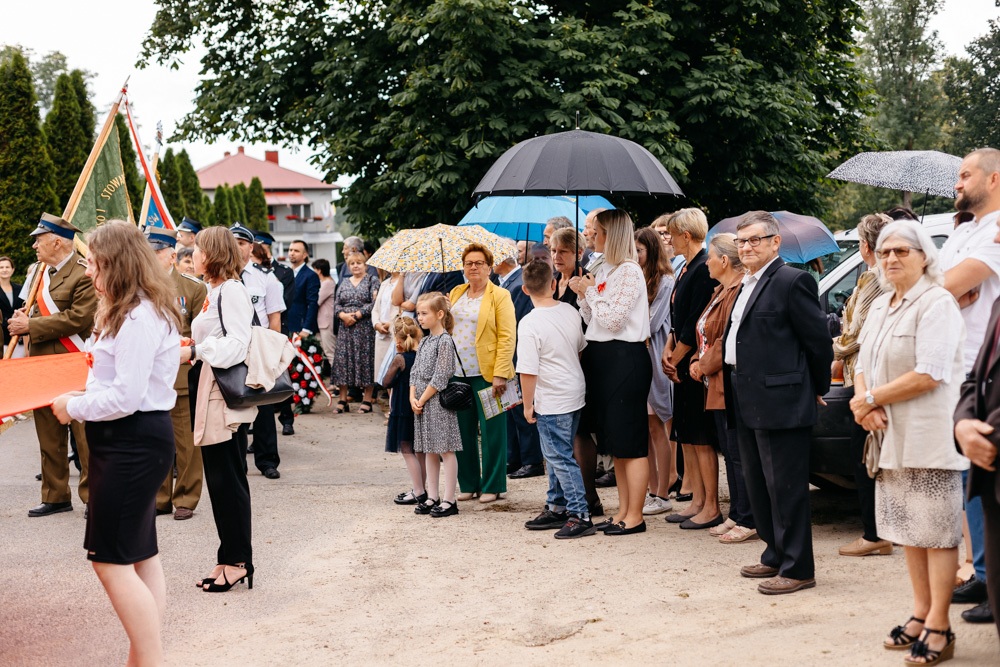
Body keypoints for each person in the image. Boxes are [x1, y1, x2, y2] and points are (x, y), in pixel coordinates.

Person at [50, 221, 182, 666]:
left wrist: (74, 405)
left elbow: (126, 398)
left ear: (117, 263)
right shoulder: (132, 309)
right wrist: (82, 396)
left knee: (110, 560)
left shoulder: (139, 316)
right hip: (130, 441)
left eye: (94, 263)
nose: (88, 271)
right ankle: (143, 659)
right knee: (140, 555)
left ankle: (150, 660)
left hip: (132, 442)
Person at [852, 219, 968, 662]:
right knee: (909, 532)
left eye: (902, 250)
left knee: (936, 533)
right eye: (884, 252)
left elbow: (929, 372)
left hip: (929, 435)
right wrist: (865, 402)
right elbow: (862, 361)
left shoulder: (937, 302)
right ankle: (920, 612)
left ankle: (940, 625)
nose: (891, 258)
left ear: (924, 257)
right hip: (889, 436)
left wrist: (870, 399)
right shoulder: (882, 305)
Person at [725, 211, 833, 595]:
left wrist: (818, 386)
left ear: (775, 242)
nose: (746, 247)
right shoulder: (745, 283)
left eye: (754, 240)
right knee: (758, 485)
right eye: (741, 241)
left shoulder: (792, 280)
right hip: (745, 395)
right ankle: (774, 553)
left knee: (786, 488)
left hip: (782, 399)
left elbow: (818, 341)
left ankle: (798, 568)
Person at [940, 148, 1000, 625]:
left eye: (965, 174)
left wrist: (944, 291)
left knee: (986, 474)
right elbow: (929, 286)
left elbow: (939, 288)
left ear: (994, 179)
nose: (956, 183)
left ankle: (991, 578)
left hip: (989, 367)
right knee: (967, 476)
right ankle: (982, 571)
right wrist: (943, 290)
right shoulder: (963, 231)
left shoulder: (997, 231)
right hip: (957, 369)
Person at [182, 226, 257, 593]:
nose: (192, 255)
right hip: (208, 386)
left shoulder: (232, 290)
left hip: (222, 391)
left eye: (197, 249)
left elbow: (239, 344)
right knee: (219, 477)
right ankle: (227, 556)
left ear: (211, 254)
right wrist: (194, 345)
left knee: (228, 477)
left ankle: (238, 562)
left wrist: (197, 350)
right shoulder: (214, 291)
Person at [7, 213, 96, 517]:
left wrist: (31, 325)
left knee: (84, 436)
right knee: (48, 435)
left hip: (73, 362)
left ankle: (94, 497)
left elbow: (79, 318)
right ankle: (55, 495)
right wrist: (23, 318)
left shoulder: (83, 272)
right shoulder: (38, 273)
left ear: (57, 242)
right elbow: (31, 308)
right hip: (42, 365)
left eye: (39, 240)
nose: (34, 246)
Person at [570, 209, 652, 535]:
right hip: (602, 356)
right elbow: (595, 320)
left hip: (625, 358)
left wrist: (591, 292)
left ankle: (636, 516)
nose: (592, 236)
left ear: (611, 234)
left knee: (630, 440)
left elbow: (615, 320)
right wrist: (584, 294)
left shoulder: (630, 271)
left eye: (597, 231)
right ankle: (623, 510)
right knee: (616, 442)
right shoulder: (606, 268)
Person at [831, 213, 894, 557]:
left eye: (859, 241)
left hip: (868, 377)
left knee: (865, 456)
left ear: (867, 246)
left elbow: (857, 332)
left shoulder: (874, 278)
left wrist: (833, 349)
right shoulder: (875, 276)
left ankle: (875, 534)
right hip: (864, 373)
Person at [519, 259, 594, 538]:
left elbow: (528, 370)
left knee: (559, 457)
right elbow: (580, 349)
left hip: (552, 397)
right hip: (574, 390)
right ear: (553, 284)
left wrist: (528, 404)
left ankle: (580, 513)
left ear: (525, 289)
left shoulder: (529, 323)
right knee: (556, 454)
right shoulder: (569, 311)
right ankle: (557, 505)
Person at [689, 234, 756, 543]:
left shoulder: (737, 291)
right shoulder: (721, 290)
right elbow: (705, 333)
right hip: (714, 382)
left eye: (711, 257)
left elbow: (725, 339)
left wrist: (702, 365)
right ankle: (737, 513)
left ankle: (748, 517)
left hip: (725, 380)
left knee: (737, 452)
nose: (707, 263)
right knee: (730, 451)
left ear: (725, 261)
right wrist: (696, 358)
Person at [662, 208, 720, 528]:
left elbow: (696, 321)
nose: (669, 240)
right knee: (686, 433)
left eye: (672, 235)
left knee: (700, 436)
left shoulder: (702, 268)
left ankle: (710, 504)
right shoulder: (685, 267)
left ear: (686, 235)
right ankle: (696, 500)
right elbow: (677, 318)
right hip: (682, 361)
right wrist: (669, 347)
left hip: (695, 364)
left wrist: (675, 356)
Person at [146, 227, 208, 521]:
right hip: (148, 375)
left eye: (156, 252)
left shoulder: (193, 288)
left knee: (186, 442)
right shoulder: (139, 286)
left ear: (171, 256)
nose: (150, 257)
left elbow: (202, 333)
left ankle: (185, 497)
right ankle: (159, 497)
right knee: (154, 440)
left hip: (181, 374)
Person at [954, 254, 1000, 642]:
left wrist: (988, 434)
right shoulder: (997, 304)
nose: (995, 236)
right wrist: (964, 421)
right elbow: (976, 376)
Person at [449, 243, 516, 504]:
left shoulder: (500, 295)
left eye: (479, 263)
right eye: (469, 263)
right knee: (461, 432)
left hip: (488, 374)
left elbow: (507, 336)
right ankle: (469, 484)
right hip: (457, 373)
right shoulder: (456, 292)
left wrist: (500, 373)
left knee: (492, 433)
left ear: (489, 267)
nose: (473, 267)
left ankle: (493, 485)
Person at [550, 227, 603, 516]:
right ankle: (567, 496)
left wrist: (583, 291)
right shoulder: (553, 281)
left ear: (578, 253)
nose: (556, 256)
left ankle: (588, 496)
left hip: (583, 360)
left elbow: (593, 320)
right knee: (563, 431)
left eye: (563, 251)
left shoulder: (586, 279)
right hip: (557, 363)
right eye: (553, 251)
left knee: (581, 430)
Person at [232, 223, 286, 479]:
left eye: (242, 243)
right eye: (232, 243)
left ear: (250, 247)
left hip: (259, 348)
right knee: (235, 405)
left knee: (264, 405)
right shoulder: (216, 278)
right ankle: (237, 463)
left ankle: (267, 461)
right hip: (232, 349)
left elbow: (274, 318)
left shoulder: (265, 277)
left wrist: (272, 351)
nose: (237, 248)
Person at [635, 227, 676, 517]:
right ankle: (651, 490)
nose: (635, 255)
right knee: (645, 429)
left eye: (639, 250)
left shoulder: (665, 281)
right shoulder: (635, 278)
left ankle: (663, 491)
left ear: (651, 251)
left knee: (658, 424)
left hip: (655, 358)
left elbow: (651, 323)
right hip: (638, 359)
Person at [411, 293, 462, 518]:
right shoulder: (424, 341)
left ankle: (450, 499)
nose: (420, 318)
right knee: (429, 449)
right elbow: (414, 372)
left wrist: (421, 399)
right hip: (421, 403)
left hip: (437, 403)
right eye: (418, 313)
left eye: (424, 313)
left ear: (440, 314)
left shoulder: (445, 341)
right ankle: (433, 496)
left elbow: (441, 376)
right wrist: (412, 397)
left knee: (445, 449)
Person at [495, 246, 543, 480]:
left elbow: (516, 323)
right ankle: (513, 458)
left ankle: (531, 460)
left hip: (517, 354)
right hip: (507, 355)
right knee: (510, 410)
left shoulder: (518, 284)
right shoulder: (504, 283)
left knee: (521, 409)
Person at [332, 251, 381, 413]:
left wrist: (358, 314)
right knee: (343, 362)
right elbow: (336, 304)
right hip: (345, 328)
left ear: (365, 265)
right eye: (352, 263)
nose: (355, 266)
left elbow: (375, 303)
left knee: (365, 361)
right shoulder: (344, 282)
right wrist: (343, 315)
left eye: (359, 263)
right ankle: (342, 399)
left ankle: (367, 399)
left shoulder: (372, 281)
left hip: (364, 328)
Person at [282, 239, 321, 435]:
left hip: (300, 327)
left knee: (299, 368)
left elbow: (312, 303)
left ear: (305, 255)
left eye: (296, 250)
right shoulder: (284, 273)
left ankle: (300, 401)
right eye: (290, 250)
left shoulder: (310, 275)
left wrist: (307, 328)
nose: (291, 253)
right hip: (284, 325)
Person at [384, 317, 425, 505]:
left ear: (398, 341)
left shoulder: (400, 359)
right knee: (420, 450)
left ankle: (418, 490)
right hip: (419, 405)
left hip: (402, 407)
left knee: (407, 449)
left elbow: (386, 382)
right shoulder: (422, 356)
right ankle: (422, 488)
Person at [372, 270, 400, 392]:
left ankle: (394, 403)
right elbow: (375, 309)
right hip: (381, 333)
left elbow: (403, 309)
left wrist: (391, 324)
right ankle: (390, 403)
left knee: (395, 374)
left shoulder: (403, 282)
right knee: (385, 376)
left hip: (395, 332)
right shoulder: (384, 283)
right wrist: (376, 324)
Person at [313, 258, 337, 374]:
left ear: (319, 270)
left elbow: (316, 301)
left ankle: (338, 379)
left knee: (330, 352)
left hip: (327, 322)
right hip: (324, 321)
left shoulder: (327, 283)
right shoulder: (327, 282)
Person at [0, 255, 25, 358]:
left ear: (12, 270)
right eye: (1, 267)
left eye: (7, 267)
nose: (4, 270)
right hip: (2, 340)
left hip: (19, 338)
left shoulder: (21, 289)